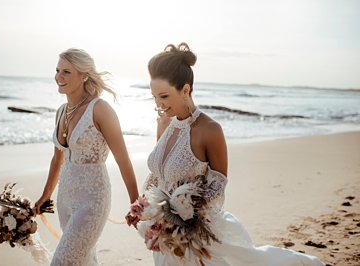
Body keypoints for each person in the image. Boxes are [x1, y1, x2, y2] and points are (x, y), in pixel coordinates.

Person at [131, 42, 323, 265]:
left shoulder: (210, 130)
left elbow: (218, 183)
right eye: (154, 96)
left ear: (185, 90)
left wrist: (185, 216)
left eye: (163, 96)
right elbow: (159, 173)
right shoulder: (164, 124)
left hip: (195, 235)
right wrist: (145, 207)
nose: (158, 104)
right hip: (164, 234)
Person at [32, 48, 140, 265]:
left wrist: (136, 203)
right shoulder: (61, 111)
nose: (58, 77)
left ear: (84, 75)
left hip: (93, 199)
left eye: (66, 72)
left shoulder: (100, 109)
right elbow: (57, 158)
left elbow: (123, 159)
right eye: (57, 71)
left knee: (62, 261)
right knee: (84, 260)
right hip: (65, 198)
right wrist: (46, 195)